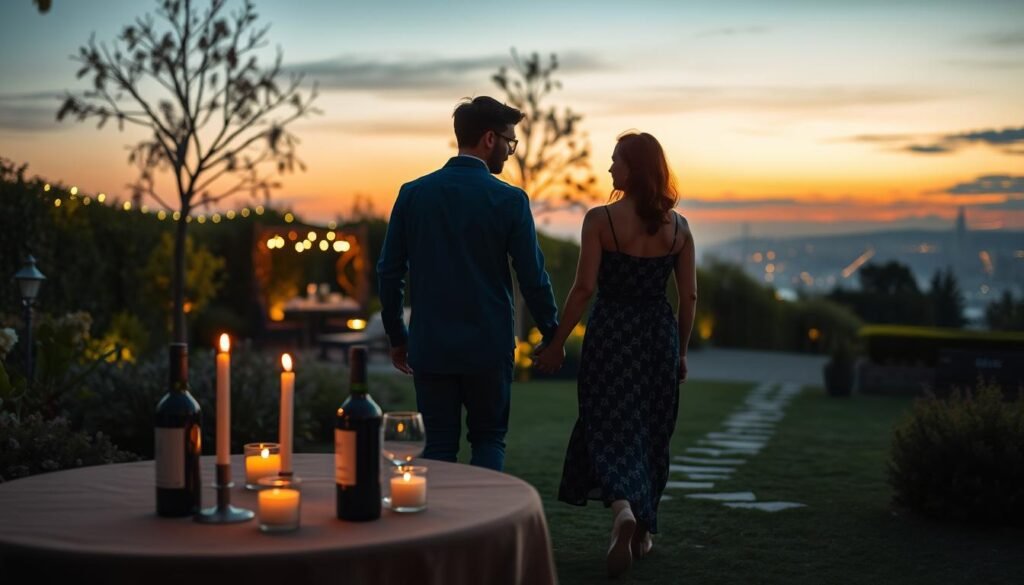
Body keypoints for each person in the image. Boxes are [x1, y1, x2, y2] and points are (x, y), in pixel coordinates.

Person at [534, 131, 697, 577]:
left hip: (610, 336)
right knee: (651, 430)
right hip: (656, 338)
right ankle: (642, 527)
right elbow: (689, 298)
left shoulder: (600, 220)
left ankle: (623, 510)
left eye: (615, 162)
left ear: (634, 168)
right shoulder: (679, 228)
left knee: (607, 426)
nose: (608, 169)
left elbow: (584, 288)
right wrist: (680, 352)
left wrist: (555, 343)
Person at [377, 96, 561, 472]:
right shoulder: (509, 200)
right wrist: (551, 332)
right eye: (510, 142)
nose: (511, 152)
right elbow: (533, 276)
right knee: (489, 439)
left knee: (439, 447)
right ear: (489, 139)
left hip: (431, 345)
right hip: (488, 345)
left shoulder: (413, 194)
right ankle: (485, 527)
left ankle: (443, 528)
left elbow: (389, 271)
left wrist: (398, 336)